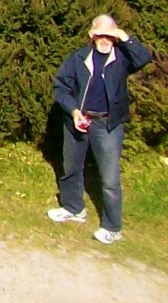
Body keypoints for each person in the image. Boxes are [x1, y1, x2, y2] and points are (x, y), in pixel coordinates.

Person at [49, 13, 152, 243]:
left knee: (109, 179)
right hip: (79, 119)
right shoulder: (78, 58)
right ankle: (74, 208)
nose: (105, 40)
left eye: (110, 35)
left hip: (108, 125)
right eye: (100, 34)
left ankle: (113, 227)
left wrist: (122, 35)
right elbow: (61, 88)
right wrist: (74, 112)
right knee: (71, 168)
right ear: (91, 35)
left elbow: (144, 57)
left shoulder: (123, 59)